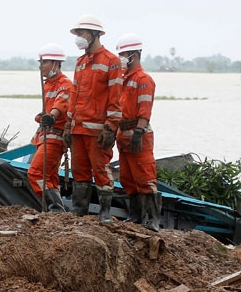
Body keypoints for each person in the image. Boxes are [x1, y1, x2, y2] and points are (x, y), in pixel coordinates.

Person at [63, 15, 122, 222]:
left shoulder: (111, 61)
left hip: (98, 130)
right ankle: (80, 210)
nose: (78, 38)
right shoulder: (80, 63)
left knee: (101, 170)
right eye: (77, 34)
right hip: (78, 128)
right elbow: (74, 95)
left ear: (95, 34)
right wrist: (68, 125)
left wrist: (110, 127)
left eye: (81, 33)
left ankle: (105, 212)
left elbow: (116, 97)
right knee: (80, 171)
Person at [114, 33, 160, 231]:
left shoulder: (143, 79)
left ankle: (152, 219)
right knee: (127, 178)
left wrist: (139, 132)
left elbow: (144, 109)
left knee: (144, 176)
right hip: (123, 134)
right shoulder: (123, 80)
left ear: (135, 54)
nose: (122, 58)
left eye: (124, 54)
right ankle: (135, 216)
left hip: (137, 133)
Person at [28, 43, 72, 212]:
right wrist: (42, 116)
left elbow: (61, 104)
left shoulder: (65, 84)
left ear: (55, 63)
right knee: (50, 177)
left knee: (36, 173)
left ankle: (55, 208)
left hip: (55, 137)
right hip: (45, 136)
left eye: (44, 63)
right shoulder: (48, 84)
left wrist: (50, 116)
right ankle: (55, 210)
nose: (41, 67)